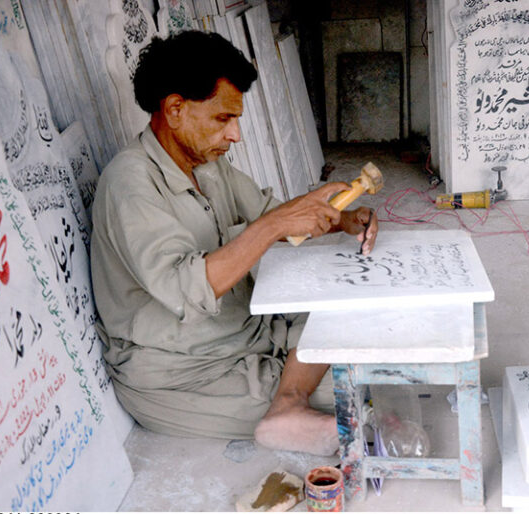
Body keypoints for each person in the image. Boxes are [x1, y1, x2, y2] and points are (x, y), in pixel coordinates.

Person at [90, 30, 378, 456]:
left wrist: (344, 219)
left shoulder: (203, 163)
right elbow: (186, 288)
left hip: (245, 331)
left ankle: (286, 404)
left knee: (348, 318)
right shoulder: (129, 184)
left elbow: (272, 212)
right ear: (174, 109)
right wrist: (275, 223)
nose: (236, 135)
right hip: (185, 370)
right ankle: (290, 405)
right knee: (353, 387)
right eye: (224, 119)